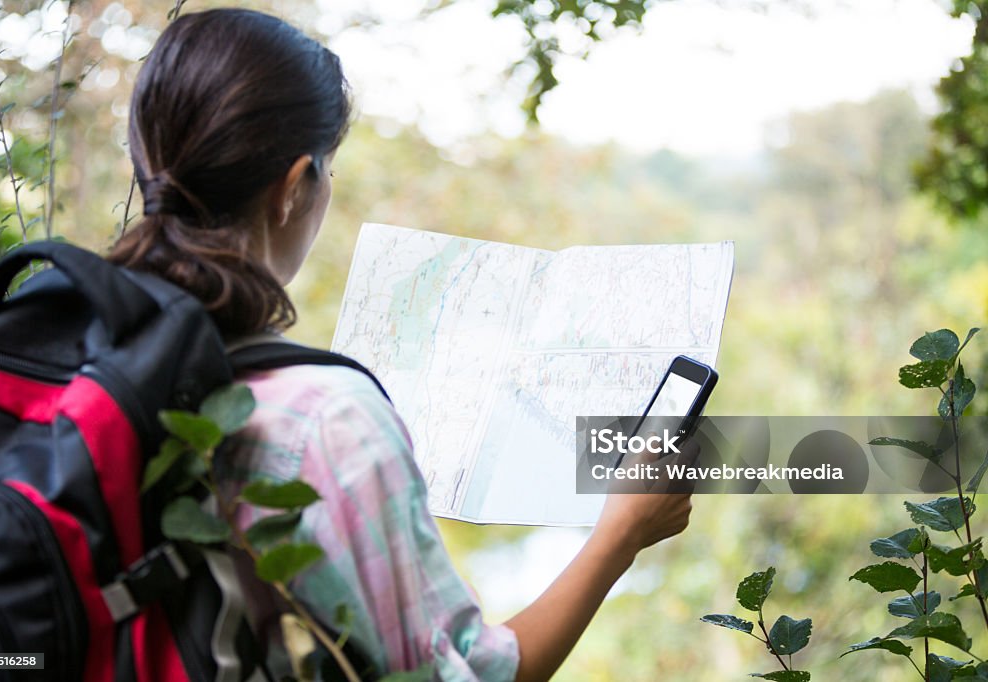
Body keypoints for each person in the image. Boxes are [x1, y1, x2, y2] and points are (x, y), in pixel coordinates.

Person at [108, 8, 694, 681]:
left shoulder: (74, 339)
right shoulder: (327, 419)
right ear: (294, 186)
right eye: (328, 169)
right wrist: (620, 534)